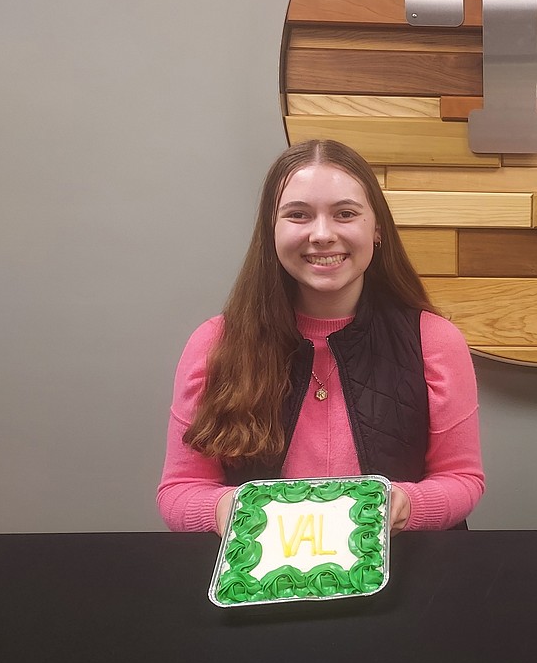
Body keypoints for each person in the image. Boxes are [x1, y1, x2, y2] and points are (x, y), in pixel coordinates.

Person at [158, 139, 485, 534]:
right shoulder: (214, 344)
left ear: (377, 229)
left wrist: (408, 505)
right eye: (298, 215)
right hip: (264, 587)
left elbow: (463, 479)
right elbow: (180, 490)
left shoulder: (434, 340)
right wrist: (229, 509)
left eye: (345, 213)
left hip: (408, 579)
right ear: (271, 230)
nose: (322, 234)